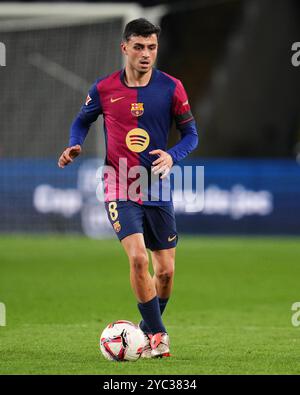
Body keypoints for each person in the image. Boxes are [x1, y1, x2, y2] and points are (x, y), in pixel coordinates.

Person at [58, 18, 198, 358]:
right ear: (125, 48)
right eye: (139, 47)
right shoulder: (104, 88)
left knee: (165, 272)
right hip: (119, 183)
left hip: (156, 187)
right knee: (138, 259)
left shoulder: (171, 87)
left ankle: (144, 331)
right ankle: (159, 336)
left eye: (151, 47)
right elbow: (82, 119)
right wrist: (75, 143)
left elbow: (191, 135)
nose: (146, 54)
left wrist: (172, 155)